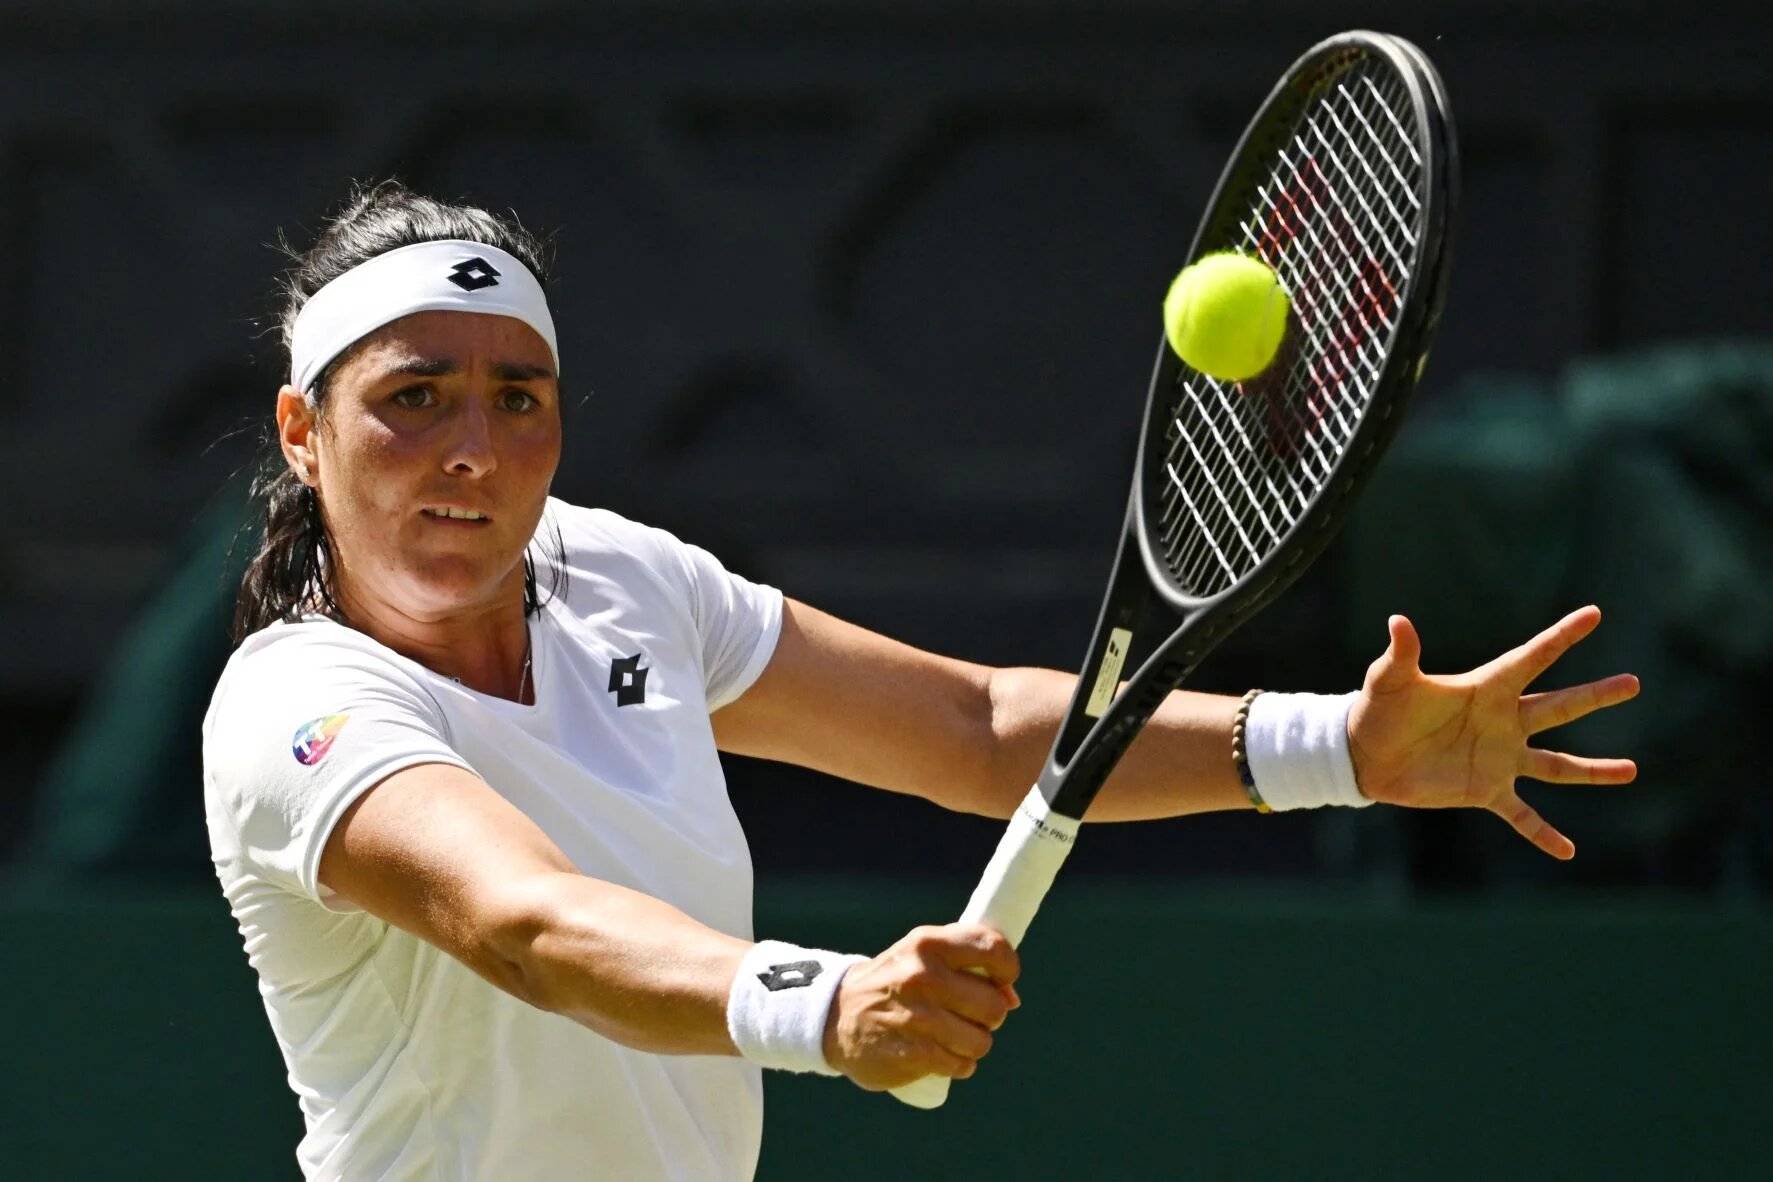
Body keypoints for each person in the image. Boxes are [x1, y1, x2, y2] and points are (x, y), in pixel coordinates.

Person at [203, 180, 1640, 1181]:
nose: (472, 446)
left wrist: (1338, 745)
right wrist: (824, 1012)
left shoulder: (625, 577)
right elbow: (527, 921)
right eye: (412, 395)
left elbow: (973, 725)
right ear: (302, 432)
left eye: (516, 396)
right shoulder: (295, 708)